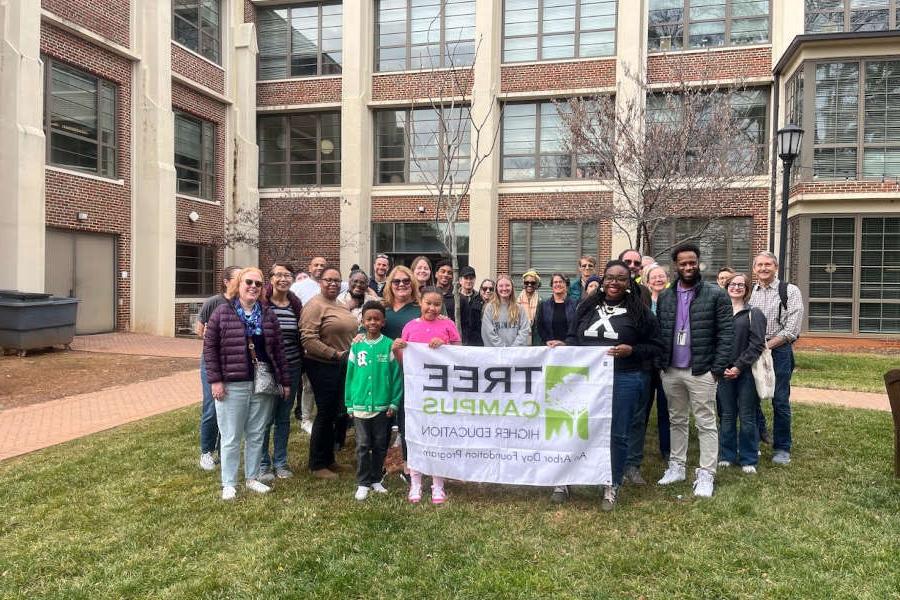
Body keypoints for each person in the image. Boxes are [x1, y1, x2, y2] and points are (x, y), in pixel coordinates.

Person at [558, 260, 663, 510]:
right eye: (610, 277)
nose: (614, 282)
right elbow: (573, 336)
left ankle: (611, 483)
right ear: (603, 280)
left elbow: (657, 346)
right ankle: (567, 478)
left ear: (629, 283)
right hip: (586, 378)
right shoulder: (586, 307)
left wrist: (633, 350)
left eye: (621, 278)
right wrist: (565, 347)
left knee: (617, 432)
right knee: (578, 426)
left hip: (624, 378)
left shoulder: (640, 312)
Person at [204, 267, 291, 500]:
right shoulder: (222, 312)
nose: (253, 287)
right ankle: (229, 483)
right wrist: (215, 381)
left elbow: (279, 350)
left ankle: (252, 478)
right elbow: (209, 349)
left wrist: (284, 380)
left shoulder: (267, 314)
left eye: (258, 284)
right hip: (233, 384)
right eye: (249, 282)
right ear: (238, 285)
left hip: (262, 383)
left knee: (256, 433)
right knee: (231, 436)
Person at [656, 243, 733, 498]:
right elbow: (660, 331)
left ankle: (706, 473)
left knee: (705, 422)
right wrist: (660, 365)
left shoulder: (715, 294)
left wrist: (716, 369)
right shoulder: (666, 296)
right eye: (683, 263)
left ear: (698, 263)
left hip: (701, 371)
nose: (688, 267)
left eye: (692, 262)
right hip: (671, 370)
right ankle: (676, 466)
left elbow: (726, 334)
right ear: (675, 266)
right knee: (676, 419)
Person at [392, 287, 462, 504]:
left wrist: (444, 347)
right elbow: (405, 363)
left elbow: (460, 355)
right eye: (428, 303)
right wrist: (396, 349)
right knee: (415, 434)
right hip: (416, 392)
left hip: (440, 391)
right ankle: (415, 482)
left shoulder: (447, 325)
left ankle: (438, 484)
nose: (432, 308)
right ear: (420, 302)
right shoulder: (410, 327)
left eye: (437, 304)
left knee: (438, 434)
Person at [300, 266, 359, 479]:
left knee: (335, 413)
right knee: (325, 413)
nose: (332, 283)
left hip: (341, 364)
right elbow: (308, 339)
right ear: (320, 282)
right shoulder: (314, 305)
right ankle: (317, 464)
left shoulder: (338, 304)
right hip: (322, 364)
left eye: (336, 280)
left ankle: (329, 460)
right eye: (328, 280)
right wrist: (334, 354)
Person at [748, 251, 803, 465]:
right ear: (754, 269)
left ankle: (782, 448)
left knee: (780, 401)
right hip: (753, 350)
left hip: (779, 350)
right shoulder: (749, 292)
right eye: (759, 265)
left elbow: (792, 329)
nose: (763, 268)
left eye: (767, 265)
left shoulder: (789, 291)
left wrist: (766, 346)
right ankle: (757, 436)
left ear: (776, 267)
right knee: (750, 399)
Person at [345, 301, 403, 500]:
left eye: (376, 319)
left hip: (382, 405)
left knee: (380, 443)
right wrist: (349, 403)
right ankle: (363, 482)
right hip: (360, 404)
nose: (372, 322)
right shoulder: (357, 345)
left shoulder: (388, 345)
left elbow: (396, 377)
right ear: (362, 321)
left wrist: (394, 402)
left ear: (383, 322)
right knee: (362, 444)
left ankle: (376, 478)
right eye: (368, 319)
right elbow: (350, 376)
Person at [624, 263, 671, 484]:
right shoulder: (611, 304)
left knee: (649, 414)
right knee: (630, 416)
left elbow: (657, 342)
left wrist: (635, 350)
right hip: (625, 370)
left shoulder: (659, 303)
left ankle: (634, 463)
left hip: (650, 366)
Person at [258, 262, 304, 481]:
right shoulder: (262, 304)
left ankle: (281, 462)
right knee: (265, 416)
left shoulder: (295, 305)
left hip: (293, 366)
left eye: (287, 275)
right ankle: (263, 463)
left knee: (283, 417)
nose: (283, 279)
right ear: (271, 279)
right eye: (279, 275)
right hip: (268, 368)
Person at [719, 271, 767, 474]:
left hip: (745, 372)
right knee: (727, 416)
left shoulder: (753, 313)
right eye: (732, 284)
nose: (736, 287)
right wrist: (721, 366)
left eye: (741, 285)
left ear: (747, 290)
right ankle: (727, 455)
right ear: (726, 286)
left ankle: (748, 458)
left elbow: (756, 345)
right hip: (723, 372)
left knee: (747, 416)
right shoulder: (720, 313)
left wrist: (739, 366)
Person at [196, 265, 240, 471]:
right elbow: (200, 331)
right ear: (226, 281)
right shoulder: (213, 302)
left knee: (230, 409)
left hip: (234, 363)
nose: (243, 283)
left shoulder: (243, 303)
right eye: (239, 278)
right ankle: (206, 452)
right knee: (212, 408)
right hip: (211, 362)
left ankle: (224, 451)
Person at [290, 256, 328, 431]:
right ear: (310, 267)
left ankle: (325, 416)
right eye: (316, 265)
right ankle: (306, 418)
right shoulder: (299, 287)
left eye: (323, 265)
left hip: (328, 340)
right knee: (308, 383)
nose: (319, 267)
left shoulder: (331, 284)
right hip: (307, 339)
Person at [482, 275, 531, 347]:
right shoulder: (489, 308)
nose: (504, 288)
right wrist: (503, 348)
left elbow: (524, 331)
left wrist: (513, 349)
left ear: (512, 288)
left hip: (515, 354)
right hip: (496, 354)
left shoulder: (520, 309)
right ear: (496, 288)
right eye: (501, 286)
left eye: (507, 285)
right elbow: (488, 333)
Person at [533, 273, 576, 348]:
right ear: (552, 286)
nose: (558, 284)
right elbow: (539, 327)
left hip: (569, 347)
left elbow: (577, 327)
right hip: (550, 348)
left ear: (566, 285)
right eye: (555, 282)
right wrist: (547, 340)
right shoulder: (543, 305)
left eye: (561, 282)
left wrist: (566, 343)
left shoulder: (575, 305)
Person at [464, 278, 493, 346]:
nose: (488, 291)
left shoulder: (499, 306)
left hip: (493, 343)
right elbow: (470, 327)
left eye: (491, 289)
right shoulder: (473, 304)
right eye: (485, 288)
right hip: (477, 343)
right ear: (480, 290)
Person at [517, 270, 541, 345]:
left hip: (536, 339)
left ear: (536, 284)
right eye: (526, 282)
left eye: (532, 283)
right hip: (519, 338)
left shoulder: (541, 301)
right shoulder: (516, 301)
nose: (529, 285)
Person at [457, 265, 478, 344]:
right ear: (460, 280)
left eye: (471, 278)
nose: (469, 281)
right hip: (457, 339)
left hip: (474, 341)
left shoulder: (479, 298)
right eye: (466, 278)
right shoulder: (453, 298)